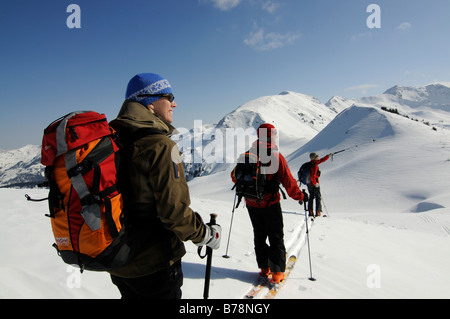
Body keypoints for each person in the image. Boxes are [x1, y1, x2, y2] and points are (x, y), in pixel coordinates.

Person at [108, 73, 221, 299]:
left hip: (118, 262)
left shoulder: (114, 141)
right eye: (169, 97)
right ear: (150, 102)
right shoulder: (161, 146)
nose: (174, 103)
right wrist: (207, 235)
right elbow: (175, 213)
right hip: (153, 264)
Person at [230, 123, 305, 285]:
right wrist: (300, 196)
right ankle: (277, 273)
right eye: (275, 134)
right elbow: (288, 181)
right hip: (270, 203)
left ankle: (264, 269)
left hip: (251, 203)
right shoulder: (276, 156)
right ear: (271, 136)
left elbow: (234, 176)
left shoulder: (248, 153)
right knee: (276, 236)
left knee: (259, 234)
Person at [307, 152, 331, 217]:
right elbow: (312, 176)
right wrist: (316, 184)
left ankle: (310, 211)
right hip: (314, 184)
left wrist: (328, 156)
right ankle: (318, 212)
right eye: (317, 156)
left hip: (309, 184)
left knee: (311, 196)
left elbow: (321, 160)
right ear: (314, 158)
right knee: (318, 197)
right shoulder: (314, 166)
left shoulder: (312, 163)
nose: (318, 156)